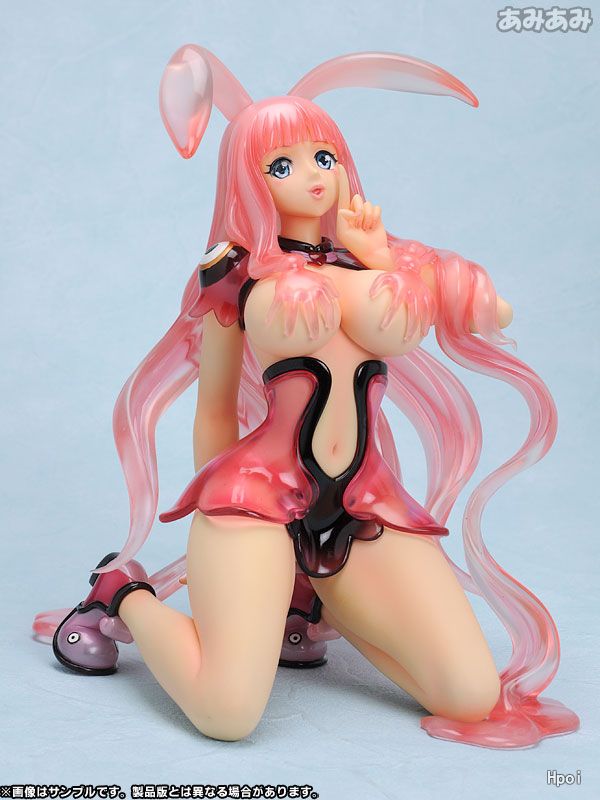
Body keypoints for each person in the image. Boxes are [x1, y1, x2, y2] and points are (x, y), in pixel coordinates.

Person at [33, 46, 579, 747]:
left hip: (360, 502)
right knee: (227, 715)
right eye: (282, 165)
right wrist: (218, 523)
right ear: (248, 180)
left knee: (473, 696)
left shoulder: (376, 255)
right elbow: (215, 405)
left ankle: (308, 596)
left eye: (324, 156)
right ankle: (122, 594)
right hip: (258, 495)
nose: (314, 175)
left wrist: (381, 258)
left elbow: (493, 312)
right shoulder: (233, 274)